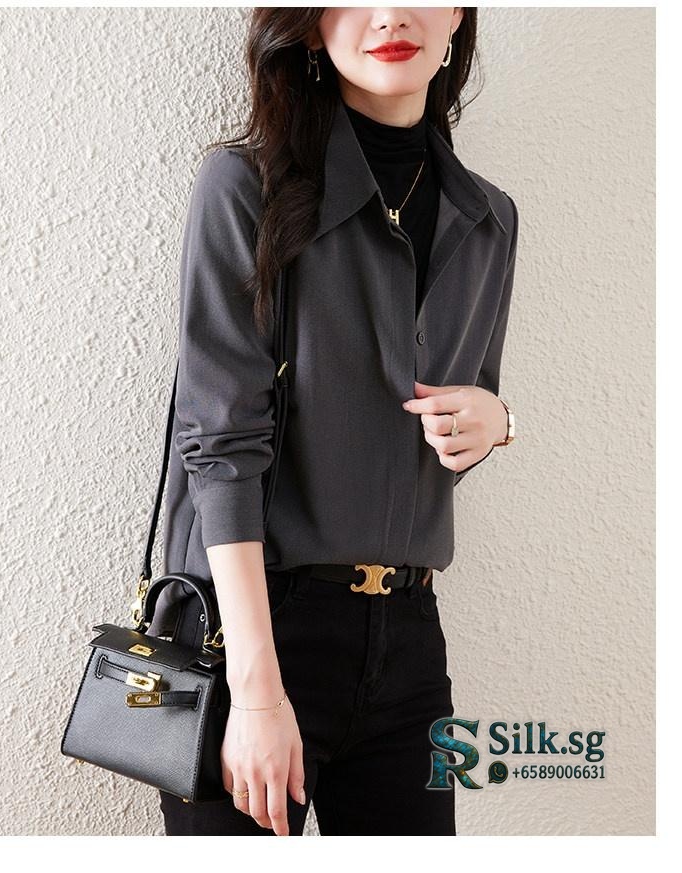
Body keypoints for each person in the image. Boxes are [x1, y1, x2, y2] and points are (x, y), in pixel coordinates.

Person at [149, 6, 519, 836]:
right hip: (253, 627)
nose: (391, 15)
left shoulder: (490, 220)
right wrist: (257, 692)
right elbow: (220, 446)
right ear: (312, 24)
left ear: (459, 13)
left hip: (410, 637)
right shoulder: (245, 187)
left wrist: (498, 420)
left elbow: (454, 418)